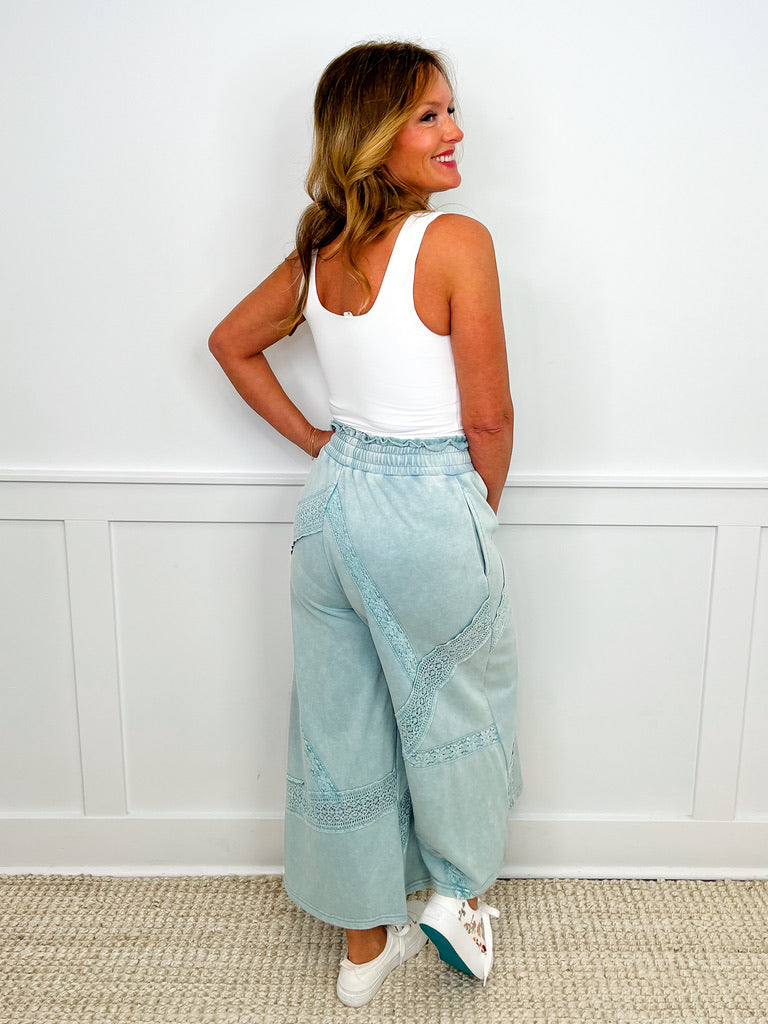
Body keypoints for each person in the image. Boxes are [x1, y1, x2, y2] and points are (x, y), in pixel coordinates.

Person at [209, 40, 522, 1007]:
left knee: (338, 722)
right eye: (430, 115)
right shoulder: (454, 242)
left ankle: (363, 945)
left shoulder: (320, 251)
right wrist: (473, 515)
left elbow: (230, 343)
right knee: (459, 706)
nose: (455, 130)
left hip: (332, 508)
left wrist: (321, 443)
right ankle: (458, 895)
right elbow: (489, 419)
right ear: (375, 134)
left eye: (450, 110)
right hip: (427, 503)